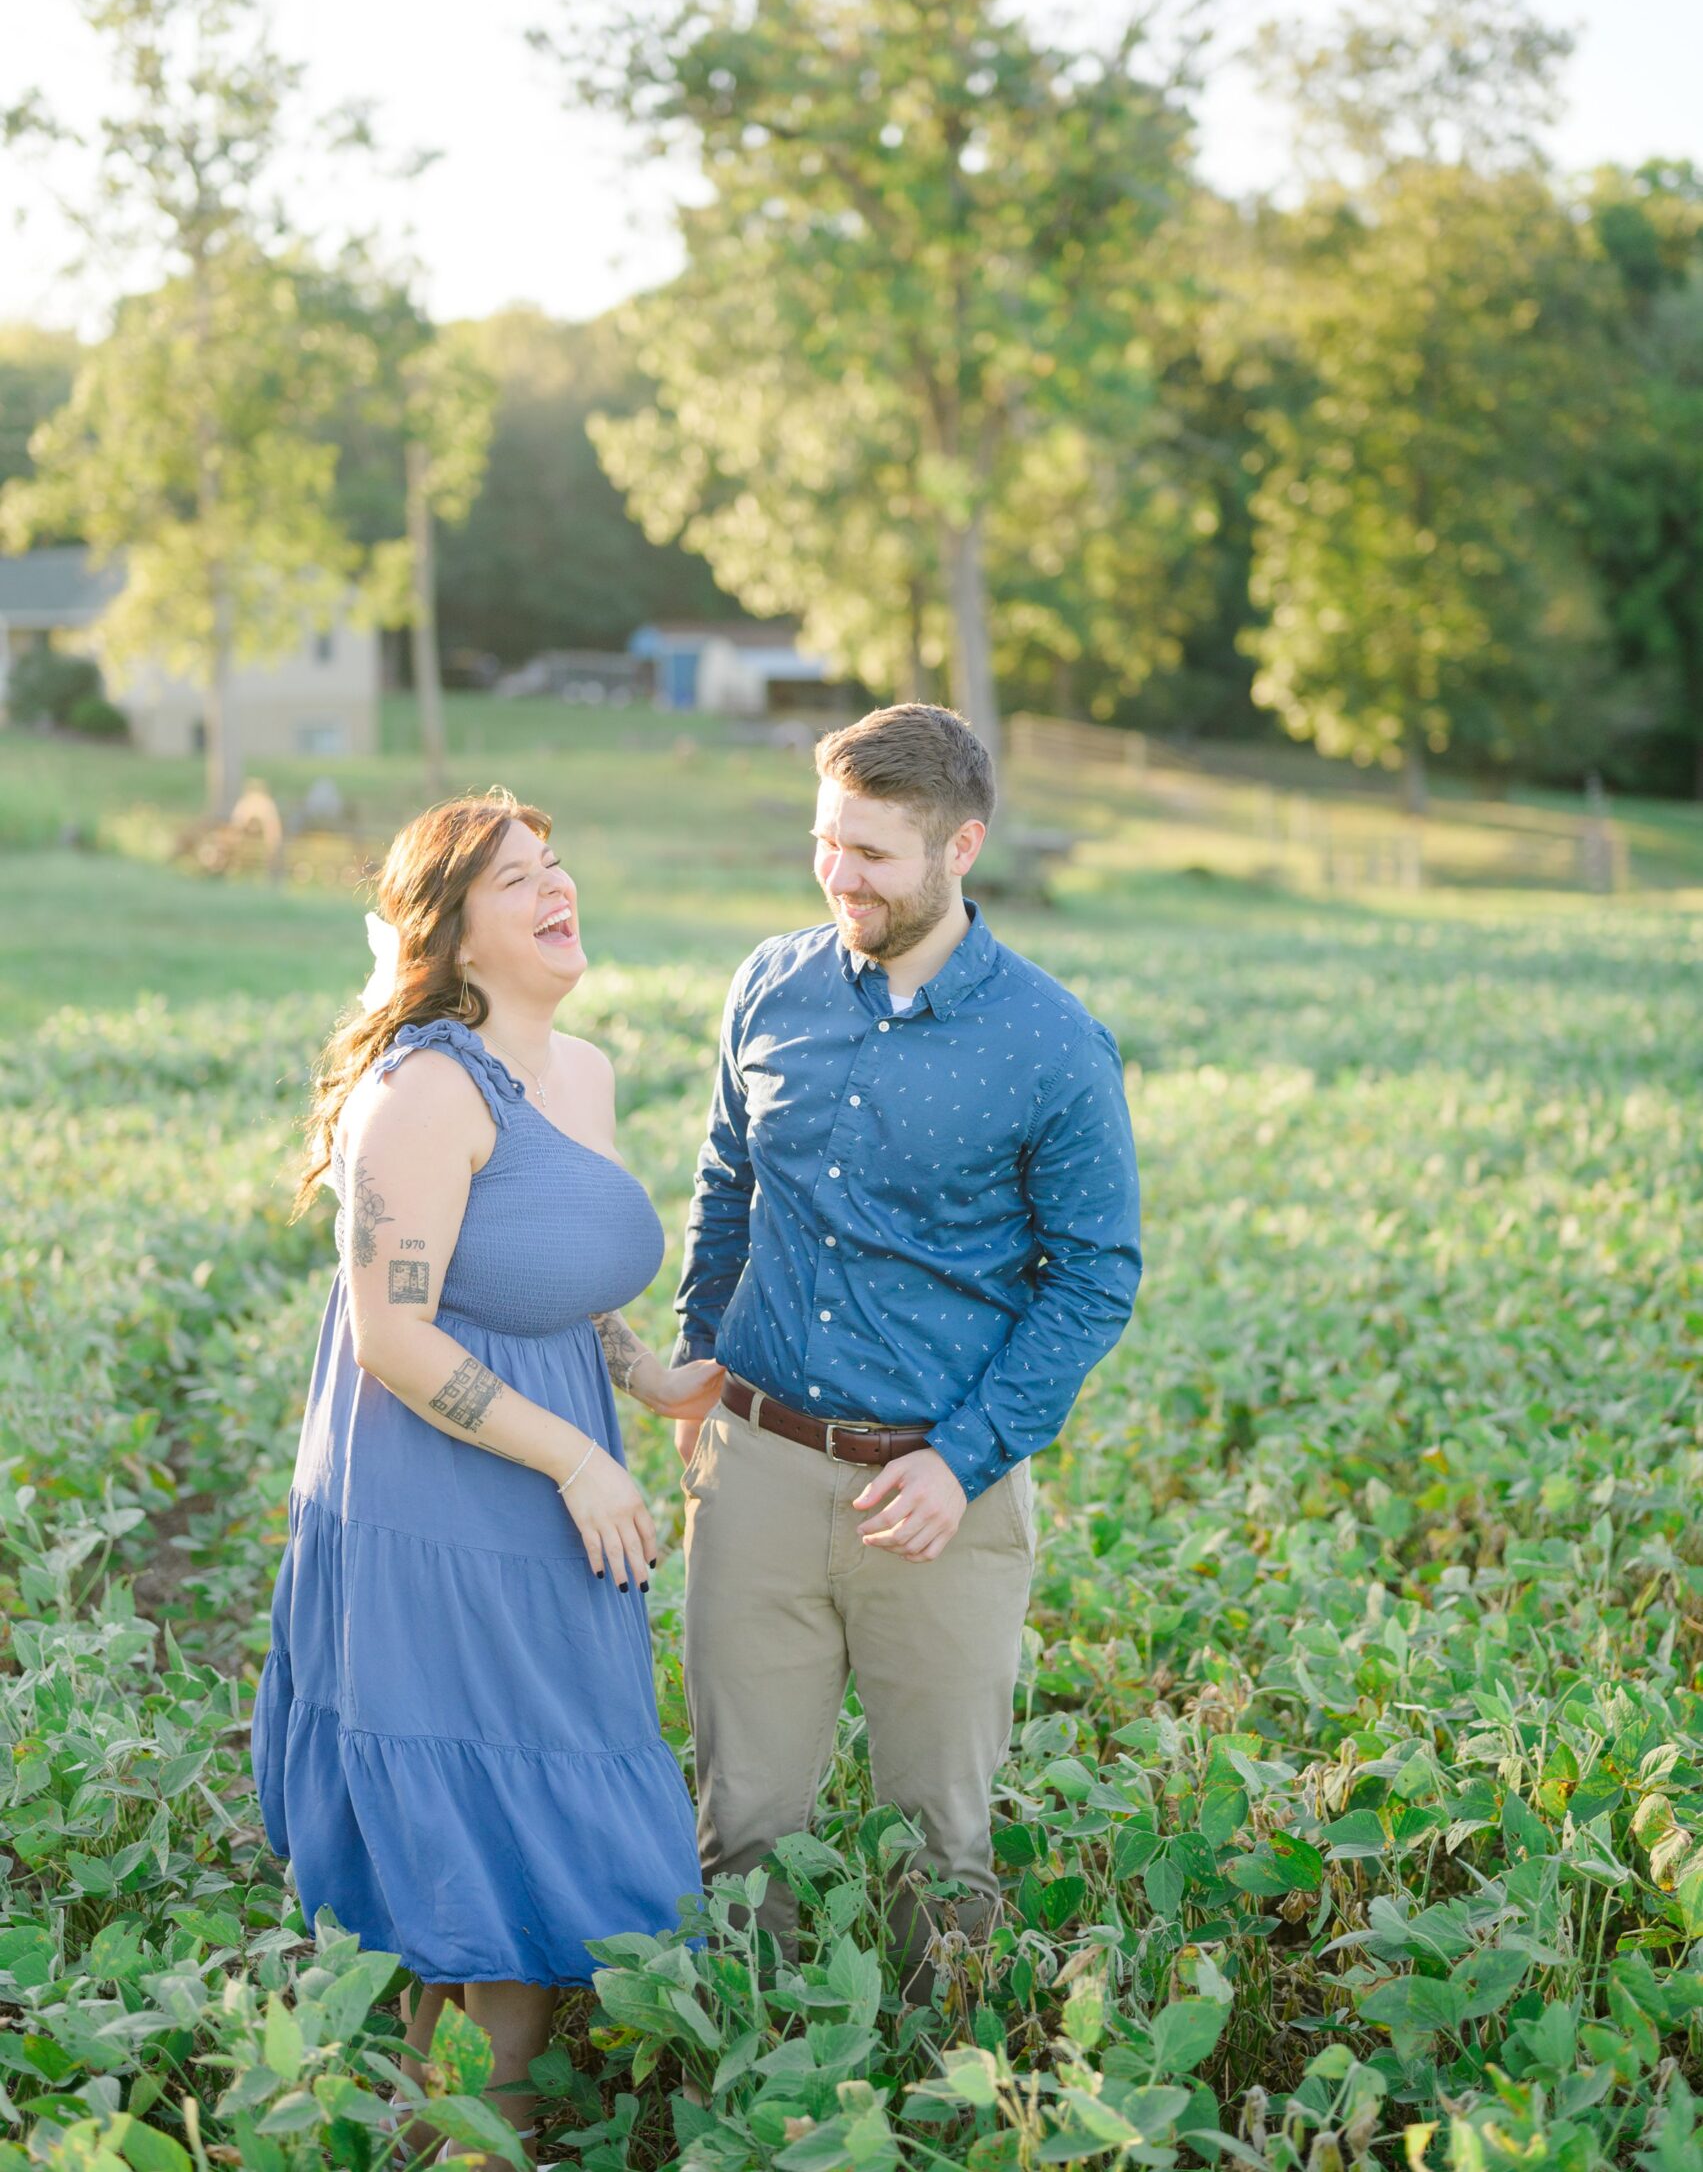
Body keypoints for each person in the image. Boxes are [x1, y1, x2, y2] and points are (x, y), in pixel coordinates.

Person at [252, 788, 723, 2147]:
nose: (555, 888)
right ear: (449, 936)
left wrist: (645, 1377)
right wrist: (582, 1458)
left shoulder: (577, 1072)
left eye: (557, 864)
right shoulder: (421, 1089)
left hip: (554, 1472)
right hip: (436, 1497)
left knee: (533, 1821)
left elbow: (549, 1276)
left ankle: (475, 2126)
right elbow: (395, 1335)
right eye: (517, 879)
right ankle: (447, 2130)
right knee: (470, 1837)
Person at [672, 703, 1142, 1983]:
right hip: (757, 1462)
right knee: (743, 1836)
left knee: (938, 1852)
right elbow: (726, 1183)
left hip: (937, 1486)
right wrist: (698, 1355)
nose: (837, 876)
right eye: (826, 841)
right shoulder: (766, 985)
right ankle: (749, 2087)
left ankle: (937, 2094)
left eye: (871, 853)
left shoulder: (1050, 1042)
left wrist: (967, 1456)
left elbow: (1096, 1274)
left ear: (960, 847)